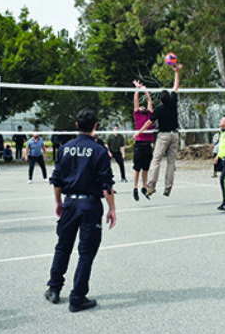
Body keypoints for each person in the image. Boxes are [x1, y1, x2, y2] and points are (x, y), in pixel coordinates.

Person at [44, 108, 116, 312]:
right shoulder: (99, 150)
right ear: (95, 126)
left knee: (63, 246)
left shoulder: (65, 148)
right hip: (90, 204)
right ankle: (78, 297)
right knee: (86, 252)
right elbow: (106, 184)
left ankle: (54, 288)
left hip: (70, 203)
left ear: (76, 125)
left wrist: (58, 201)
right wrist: (112, 209)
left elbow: (56, 179)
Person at [136, 63, 182, 198]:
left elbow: (149, 122)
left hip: (164, 136)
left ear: (161, 100)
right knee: (171, 162)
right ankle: (168, 187)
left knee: (156, 160)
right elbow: (176, 87)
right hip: (175, 135)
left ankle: (151, 185)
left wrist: (138, 132)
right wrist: (176, 72)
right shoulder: (173, 103)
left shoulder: (159, 109)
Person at [132, 80, 154, 201]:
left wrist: (145, 90)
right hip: (139, 144)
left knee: (146, 168)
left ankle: (144, 187)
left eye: (143, 106)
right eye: (141, 107)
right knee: (137, 168)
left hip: (148, 145)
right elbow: (136, 101)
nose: (142, 106)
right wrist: (137, 89)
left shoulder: (150, 115)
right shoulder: (137, 115)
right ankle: (135, 188)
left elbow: (150, 101)